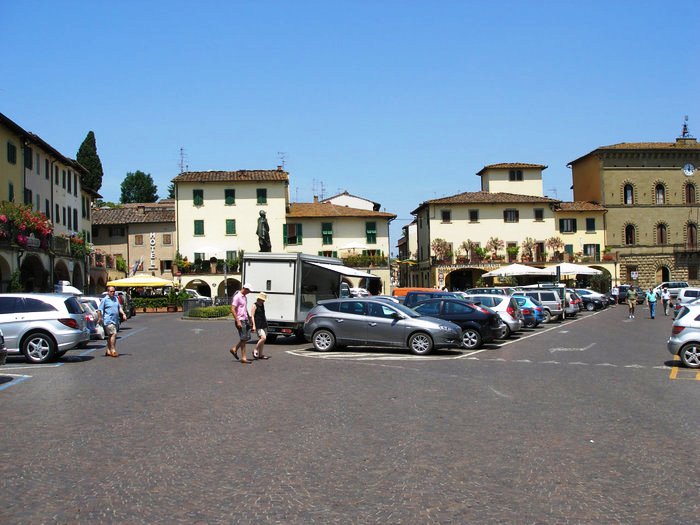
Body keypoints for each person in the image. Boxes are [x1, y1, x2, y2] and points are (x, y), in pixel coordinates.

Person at [230, 282, 253, 364]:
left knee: (247, 337)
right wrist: (238, 321)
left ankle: (235, 349)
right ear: (245, 289)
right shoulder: (237, 297)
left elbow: (245, 309)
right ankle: (244, 357)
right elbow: (232, 309)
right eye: (248, 291)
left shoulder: (244, 297)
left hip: (245, 319)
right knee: (243, 338)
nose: (249, 292)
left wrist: (250, 318)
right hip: (240, 319)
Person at [99, 286, 126, 357]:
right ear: (108, 292)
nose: (112, 293)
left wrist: (123, 314)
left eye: (113, 291)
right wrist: (100, 318)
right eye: (111, 291)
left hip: (115, 320)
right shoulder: (104, 300)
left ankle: (108, 350)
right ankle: (113, 350)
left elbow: (119, 307)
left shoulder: (116, 299)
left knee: (110, 335)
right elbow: (99, 310)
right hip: (108, 320)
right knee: (114, 334)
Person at [251, 292, 270, 360]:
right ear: (259, 298)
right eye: (263, 299)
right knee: (263, 338)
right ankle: (255, 350)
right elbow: (252, 316)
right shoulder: (254, 305)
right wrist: (253, 325)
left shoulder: (262, 304)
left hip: (263, 323)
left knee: (263, 340)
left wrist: (266, 322)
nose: (264, 300)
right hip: (258, 324)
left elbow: (263, 314)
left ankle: (260, 354)